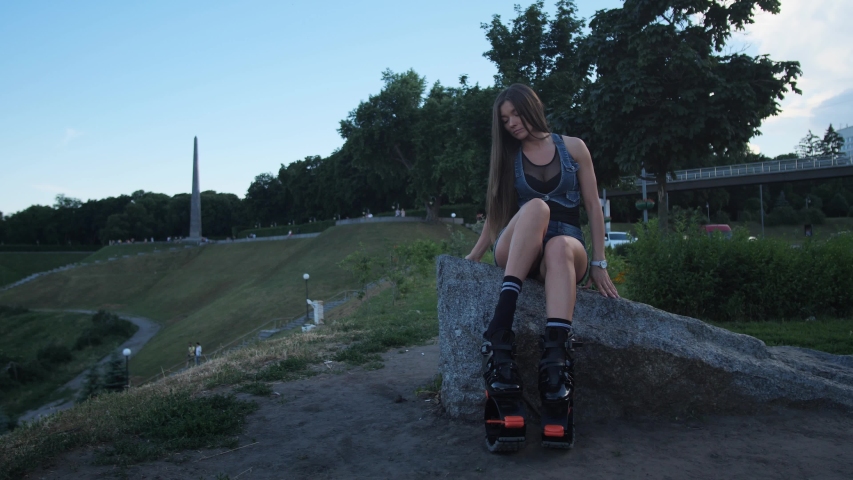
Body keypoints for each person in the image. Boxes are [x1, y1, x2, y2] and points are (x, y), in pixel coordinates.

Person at [465, 84, 618, 449]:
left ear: (531, 108)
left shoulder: (574, 147)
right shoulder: (509, 156)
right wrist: (472, 258)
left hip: (564, 251)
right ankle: (500, 328)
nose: (512, 124)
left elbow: (594, 208)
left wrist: (599, 262)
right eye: (504, 120)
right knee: (537, 208)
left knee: (560, 245)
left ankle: (554, 370)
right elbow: (496, 214)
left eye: (515, 114)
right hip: (519, 248)